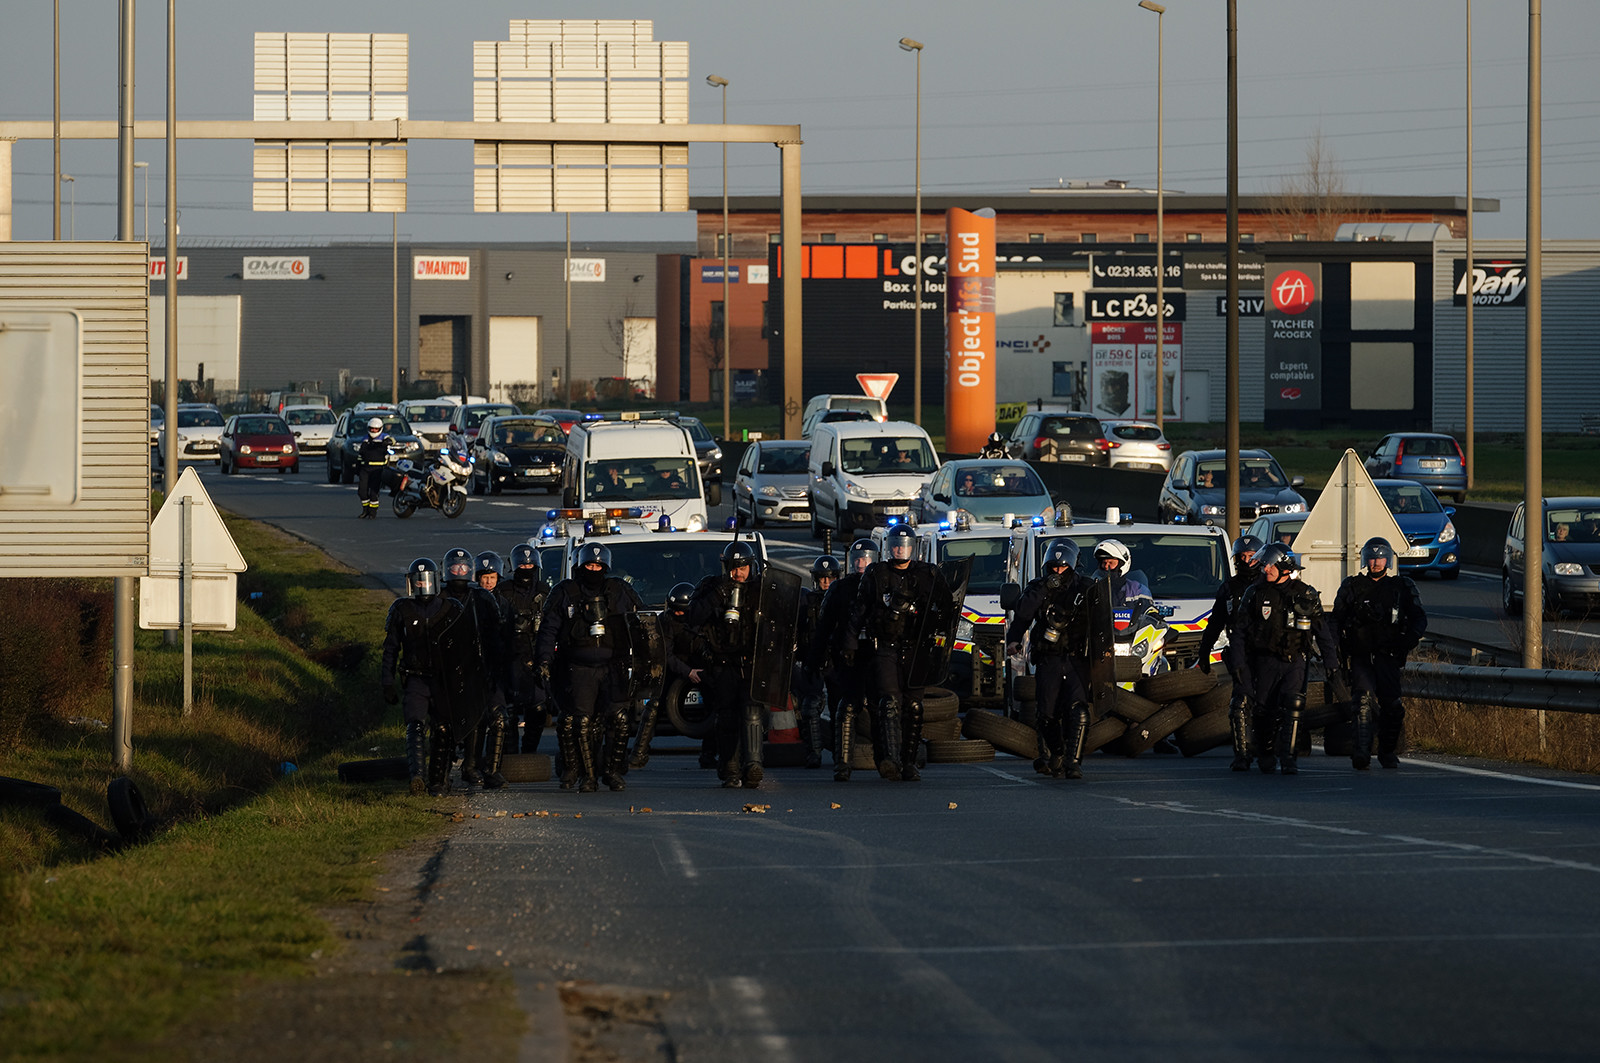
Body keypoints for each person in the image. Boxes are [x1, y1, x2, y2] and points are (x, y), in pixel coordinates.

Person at [846, 524, 952, 782]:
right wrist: (849, 643)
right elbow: (859, 611)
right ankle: (890, 760)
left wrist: (942, 640)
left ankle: (909, 762)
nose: (899, 550)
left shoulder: (928, 574)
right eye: (895, 545)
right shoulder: (876, 574)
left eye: (904, 546)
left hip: (916, 648)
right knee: (889, 702)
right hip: (885, 646)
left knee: (914, 706)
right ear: (888, 546)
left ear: (913, 549)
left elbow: (947, 607)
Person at [536, 543, 643, 793]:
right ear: (580, 566)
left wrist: (644, 660)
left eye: (598, 566)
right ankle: (588, 776)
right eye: (589, 565)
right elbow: (548, 629)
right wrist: (543, 661)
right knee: (581, 721)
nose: (593, 569)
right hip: (578, 667)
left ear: (605, 567)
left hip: (613, 666)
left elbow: (640, 621)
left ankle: (613, 771)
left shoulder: (618, 590)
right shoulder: (565, 592)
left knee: (619, 719)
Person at [1236, 543, 1348, 776]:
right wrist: (1238, 662)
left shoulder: (1304, 594)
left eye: (1269, 564)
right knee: (1263, 710)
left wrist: (1331, 665)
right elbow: (1239, 632)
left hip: (1294, 660)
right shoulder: (1254, 593)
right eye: (1264, 564)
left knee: (1293, 705)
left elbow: (1323, 633)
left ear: (1284, 566)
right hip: (1264, 661)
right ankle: (1266, 752)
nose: (1265, 569)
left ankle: (1289, 757)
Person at [1333, 537, 1427, 769]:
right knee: (1362, 701)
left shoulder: (1401, 587)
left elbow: (1419, 618)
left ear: (1388, 560)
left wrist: (1408, 640)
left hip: (1389, 654)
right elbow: (1335, 620)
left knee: (1392, 705)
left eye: (1380, 558)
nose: (1376, 563)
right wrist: (1335, 650)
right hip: (1361, 654)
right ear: (1365, 560)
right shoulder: (1352, 586)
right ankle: (1362, 752)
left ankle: (1387, 751)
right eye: (1372, 558)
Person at [1006, 540, 1094, 779]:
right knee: (1046, 714)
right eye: (1054, 567)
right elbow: (1023, 615)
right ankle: (1056, 752)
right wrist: (1013, 639)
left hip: (1077, 657)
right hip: (1049, 658)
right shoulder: (1037, 587)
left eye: (1062, 568)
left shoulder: (1086, 587)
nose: (1058, 572)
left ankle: (1073, 763)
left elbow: (1102, 620)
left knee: (1079, 709)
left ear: (1072, 566)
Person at [686, 540, 767, 788]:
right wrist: (717, 595)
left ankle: (753, 764)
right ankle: (730, 766)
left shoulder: (760, 589)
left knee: (752, 710)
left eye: (742, 567)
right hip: (722, 662)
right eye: (733, 567)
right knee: (727, 714)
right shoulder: (711, 587)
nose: (738, 573)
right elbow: (693, 618)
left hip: (752, 661)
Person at [380, 558, 462, 795]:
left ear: (436, 581)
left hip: (443, 679)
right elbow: (391, 648)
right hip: (415, 677)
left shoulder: (450, 607)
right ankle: (417, 777)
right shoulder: (401, 610)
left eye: (427, 581)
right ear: (411, 583)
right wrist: (388, 682)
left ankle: (439, 780)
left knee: (444, 729)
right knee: (415, 726)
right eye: (418, 581)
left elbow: (463, 648)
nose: (423, 586)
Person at [1194, 535, 1266, 771]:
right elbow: (1215, 622)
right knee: (1240, 701)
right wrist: (1204, 653)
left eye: (1251, 557)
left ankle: (1272, 751)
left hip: (1269, 654)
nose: (1246, 561)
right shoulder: (1228, 588)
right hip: (1240, 653)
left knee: (1271, 703)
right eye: (1242, 557)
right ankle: (1242, 754)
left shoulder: (1269, 584)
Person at [811, 539, 879, 782]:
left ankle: (889, 760)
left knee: (883, 707)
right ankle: (842, 763)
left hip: (878, 655)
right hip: (847, 657)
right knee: (845, 707)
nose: (861, 563)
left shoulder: (883, 584)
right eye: (857, 559)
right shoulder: (839, 589)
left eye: (866, 559)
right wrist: (816, 657)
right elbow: (824, 625)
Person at [441, 548, 509, 789]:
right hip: (451, 671)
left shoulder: (484, 599)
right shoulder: (441, 598)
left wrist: (500, 668)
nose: (460, 572)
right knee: (447, 722)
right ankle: (445, 771)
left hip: (484, 669)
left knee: (495, 717)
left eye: (463, 568)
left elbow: (500, 636)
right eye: (455, 568)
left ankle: (489, 769)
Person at [631, 582, 702, 769]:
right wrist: (687, 672)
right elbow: (664, 654)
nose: (677, 615)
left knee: (719, 706)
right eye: (674, 611)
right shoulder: (664, 621)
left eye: (681, 612)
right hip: (673, 668)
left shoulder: (701, 620)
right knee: (654, 705)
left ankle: (711, 754)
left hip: (701, 667)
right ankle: (638, 753)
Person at [497, 543, 551, 755]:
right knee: (508, 709)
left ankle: (530, 751)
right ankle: (509, 751)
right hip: (509, 657)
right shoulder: (503, 592)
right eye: (522, 566)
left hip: (536, 655)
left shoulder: (545, 593)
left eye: (530, 566)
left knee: (538, 706)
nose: (527, 570)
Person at [794, 555, 843, 769]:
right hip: (812, 659)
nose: (825, 582)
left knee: (839, 708)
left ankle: (841, 754)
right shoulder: (806, 601)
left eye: (830, 578)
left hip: (836, 661)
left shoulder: (843, 600)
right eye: (822, 578)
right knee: (810, 705)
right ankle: (813, 753)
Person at [355, 417, 393, 519]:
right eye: (372, 429)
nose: (374, 431)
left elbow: (392, 441)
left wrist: (388, 442)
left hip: (378, 469)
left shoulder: (384, 437)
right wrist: (357, 466)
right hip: (365, 468)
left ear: (380, 428)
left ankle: (372, 512)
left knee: (374, 493)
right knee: (362, 491)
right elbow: (360, 454)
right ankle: (365, 509)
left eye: (376, 429)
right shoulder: (365, 439)